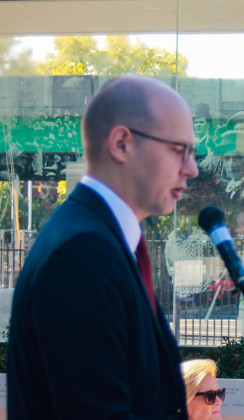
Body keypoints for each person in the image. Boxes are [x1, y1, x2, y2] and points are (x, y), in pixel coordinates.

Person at [7, 75, 199, 419]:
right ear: (122, 143)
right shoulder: (81, 253)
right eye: (179, 150)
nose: (192, 169)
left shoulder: (96, 239)